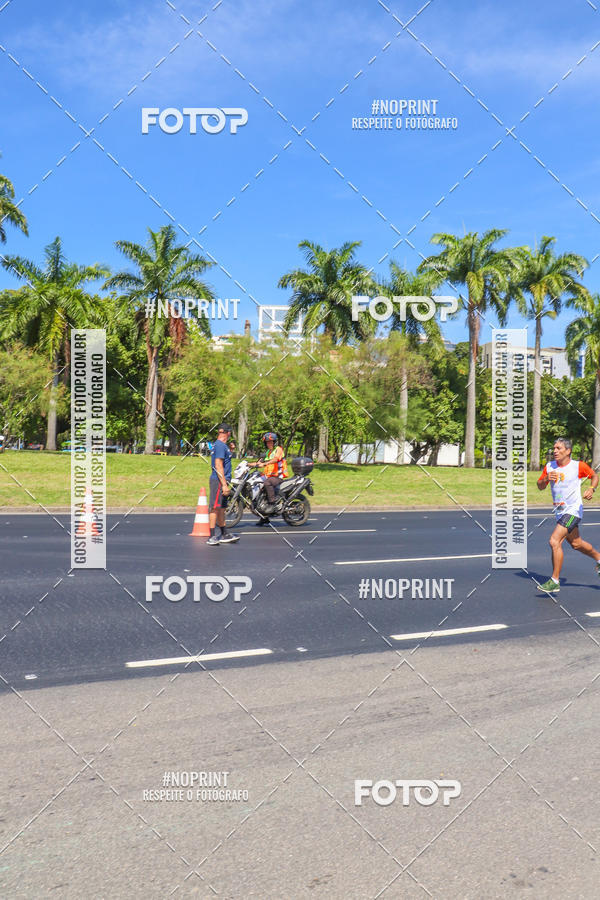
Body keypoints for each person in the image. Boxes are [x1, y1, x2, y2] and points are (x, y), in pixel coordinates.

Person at [537, 437, 600, 592]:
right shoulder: (550, 466)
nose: (555, 451)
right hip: (560, 512)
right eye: (554, 448)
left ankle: (554, 581)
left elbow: (594, 476)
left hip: (573, 510)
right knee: (576, 544)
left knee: (554, 541)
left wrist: (591, 489)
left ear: (568, 451)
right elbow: (540, 486)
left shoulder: (578, 466)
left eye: (559, 448)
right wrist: (545, 479)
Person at [206, 424, 240, 546]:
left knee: (221, 508)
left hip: (222, 480)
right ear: (229, 433)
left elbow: (224, 461)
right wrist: (224, 484)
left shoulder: (221, 446)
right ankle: (211, 536)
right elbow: (218, 465)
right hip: (219, 481)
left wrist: (230, 450)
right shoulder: (220, 446)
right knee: (215, 508)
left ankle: (224, 533)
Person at [249, 432, 288, 526]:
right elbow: (260, 462)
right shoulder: (268, 452)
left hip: (278, 476)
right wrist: (248, 464)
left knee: (267, 483)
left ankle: (272, 503)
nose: (268, 444)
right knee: (259, 489)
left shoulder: (279, 449)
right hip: (270, 476)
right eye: (267, 442)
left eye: (270, 442)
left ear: (274, 442)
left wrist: (265, 464)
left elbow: (275, 459)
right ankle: (264, 517)